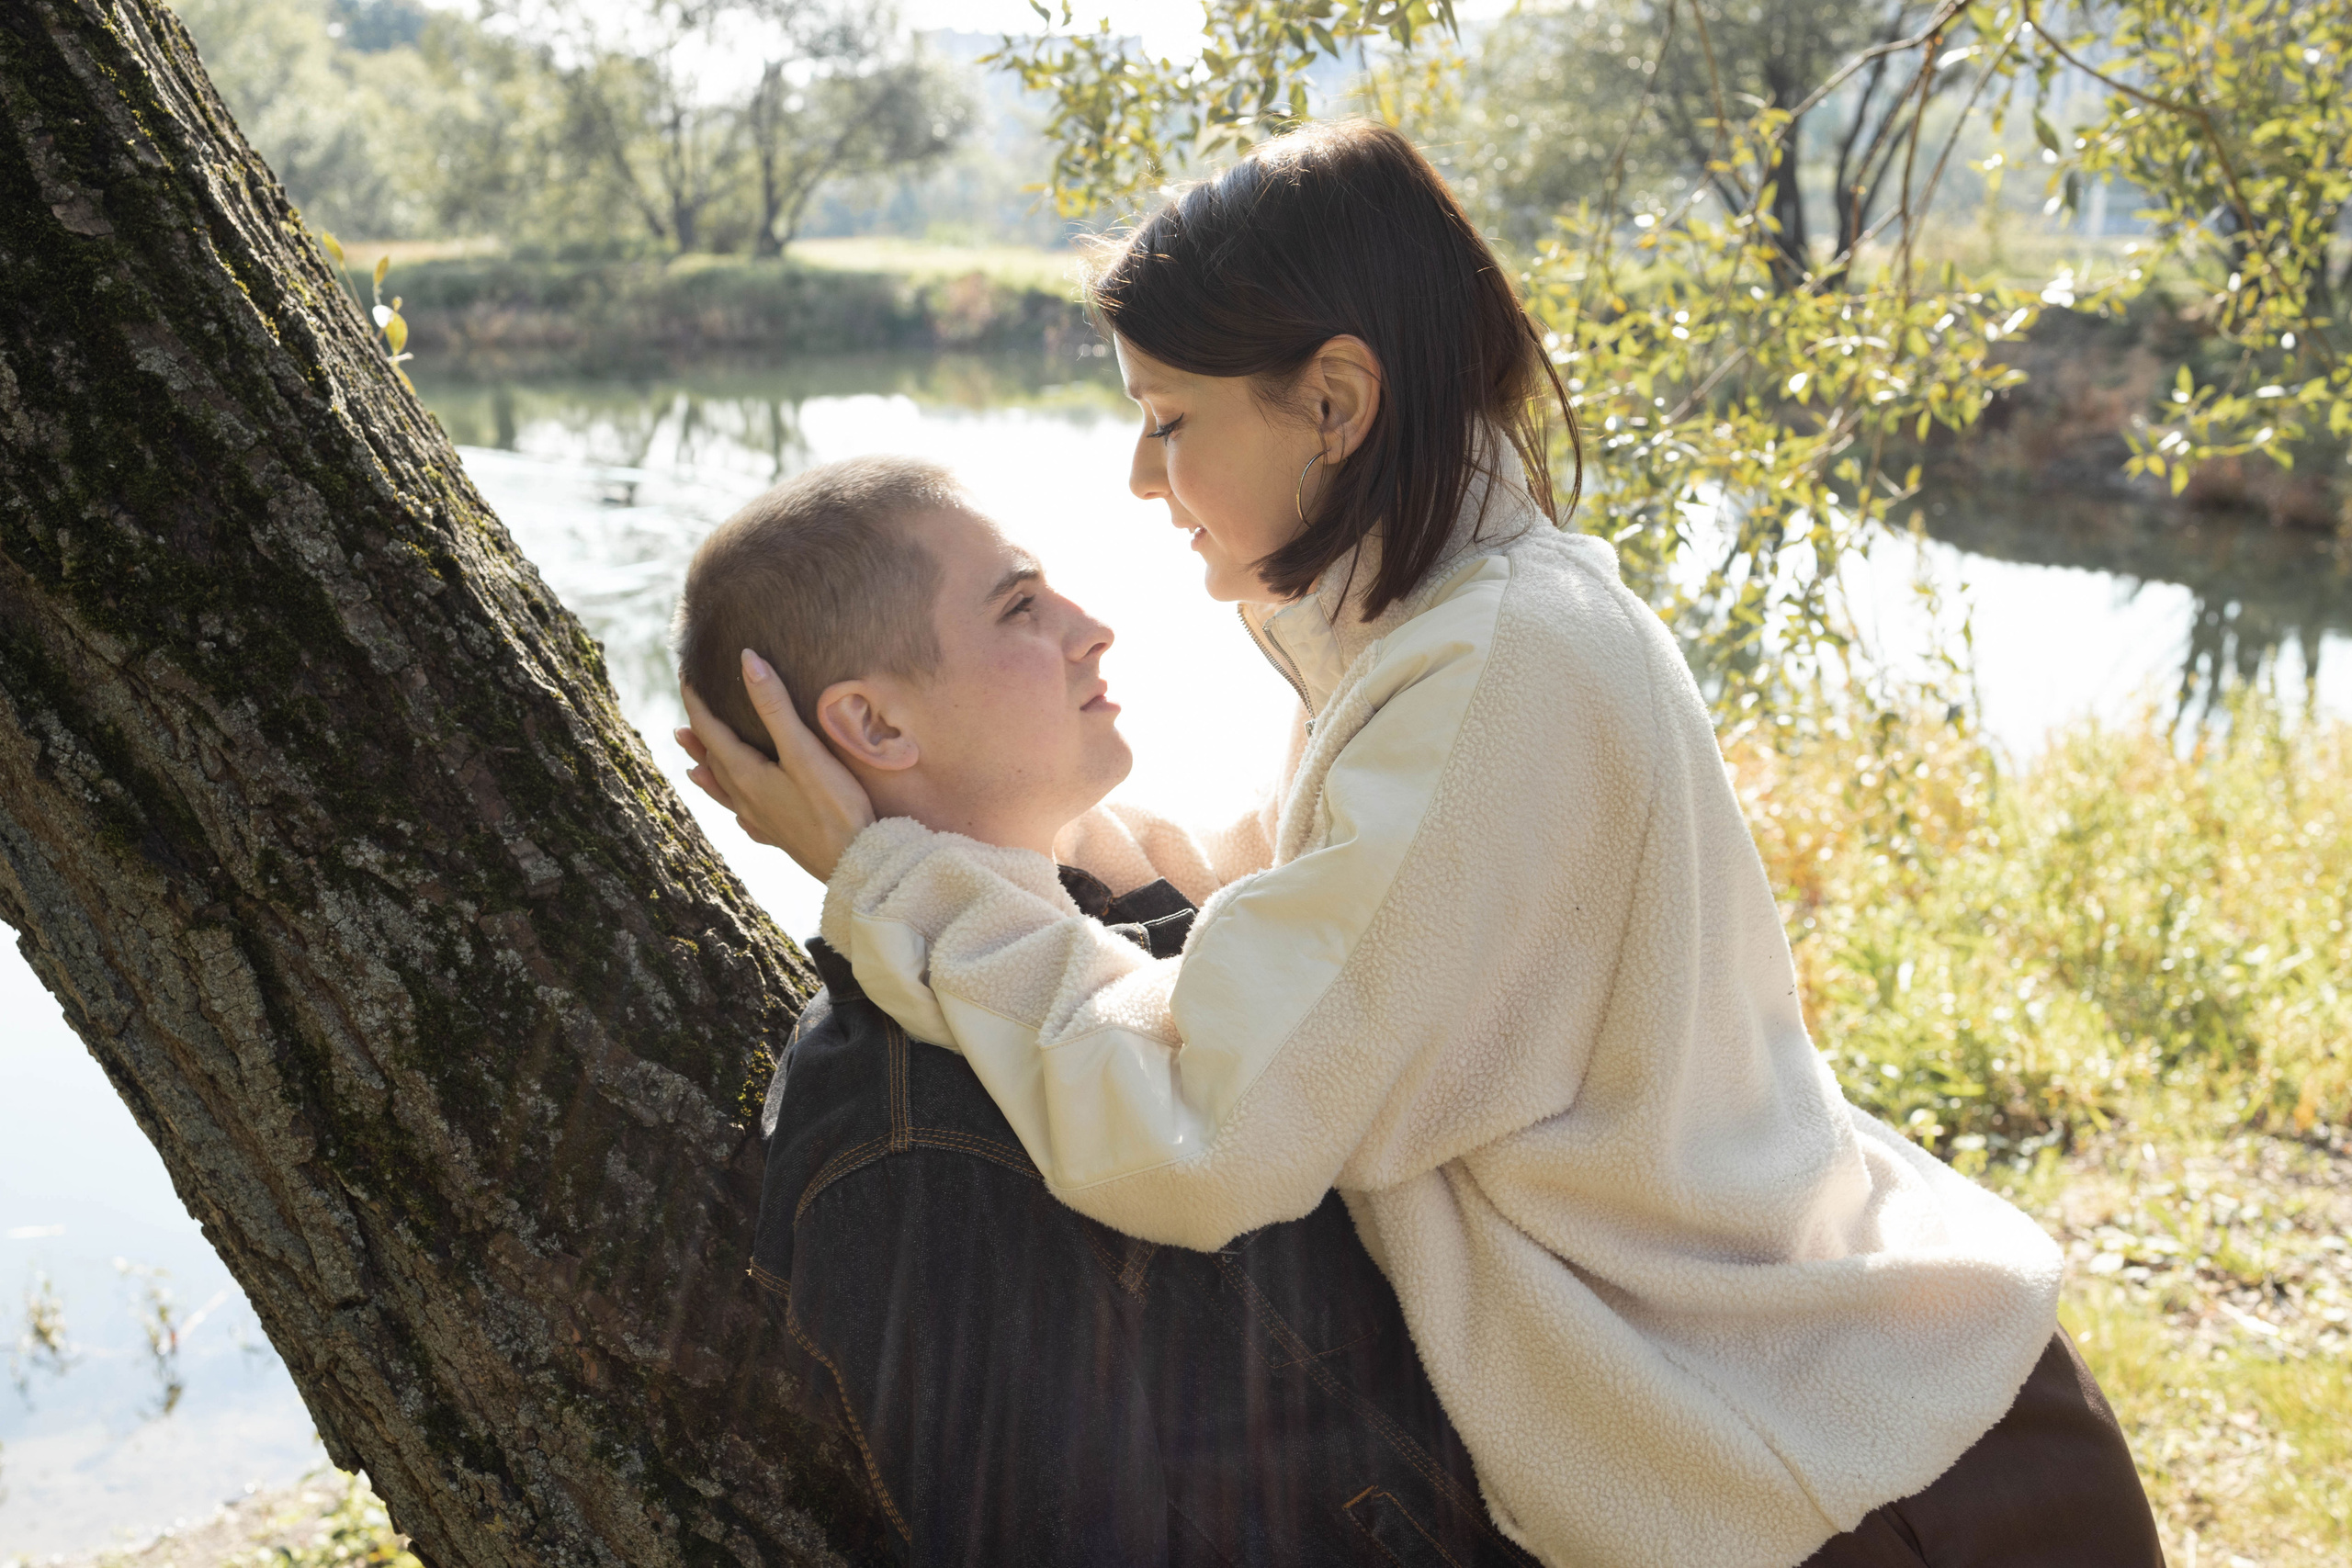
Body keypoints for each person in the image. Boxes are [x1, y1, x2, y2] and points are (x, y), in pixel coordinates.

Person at [681, 124, 2162, 1568]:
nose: (1141, 472)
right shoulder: (1454, 627)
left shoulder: (1494, 671)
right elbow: (1295, 904)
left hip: (1873, 1476)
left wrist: (900, 878)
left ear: (1334, 401)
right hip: (1852, 1413)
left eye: (1171, 418)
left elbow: (1204, 1127)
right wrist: (969, 822)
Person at [675, 456, 1538, 1565]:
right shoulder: (912, 1148)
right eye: (1020, 608)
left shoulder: (1116, 923)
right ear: (875, 727)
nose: (1092, 629)